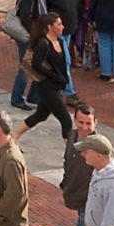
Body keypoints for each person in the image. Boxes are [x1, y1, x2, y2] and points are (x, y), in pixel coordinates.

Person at [23, 11, 77, 139]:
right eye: (59, 24)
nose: (63, 27)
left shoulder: (60, 41)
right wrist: (53, 75)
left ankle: (14, 136)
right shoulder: (43, 43)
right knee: (66, 120)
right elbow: (36, 64)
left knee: (40, 115)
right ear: (49, 27)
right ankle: (69, 154)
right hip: (47, 87)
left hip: (58, 86)